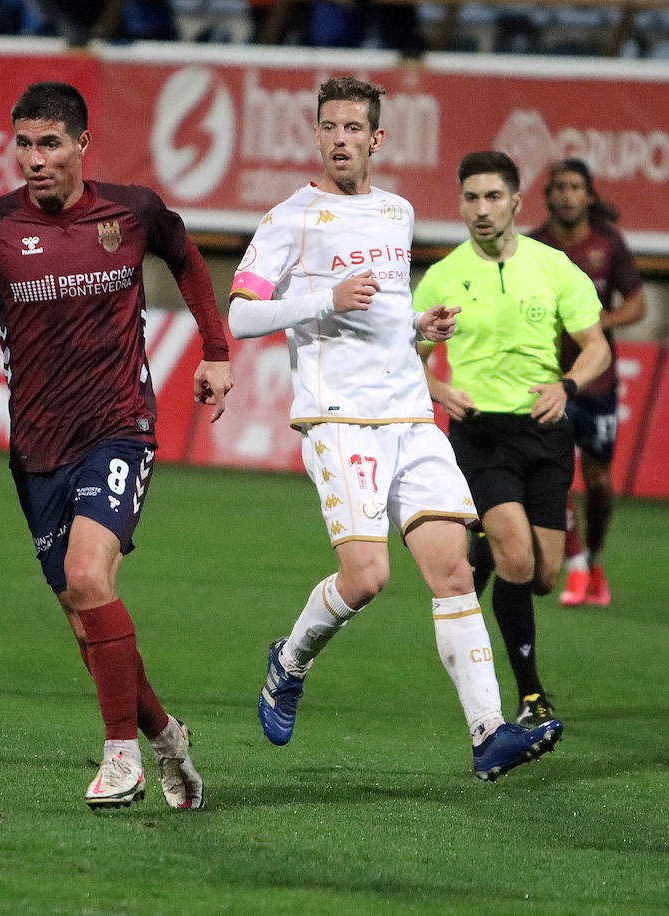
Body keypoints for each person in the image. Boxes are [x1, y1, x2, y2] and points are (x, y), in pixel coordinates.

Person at [229, 77, 562, 781]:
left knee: (450, 573)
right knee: (368, 575)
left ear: (377, 140)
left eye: (355, 128)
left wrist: (419, 325)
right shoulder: (292, 216)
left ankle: (488, 732)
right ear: (316, 135)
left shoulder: (397, 212)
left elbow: (384, 315)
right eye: (331, 127)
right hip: (339, 416)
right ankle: (288, 662)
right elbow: (240, 315)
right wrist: (321, 297)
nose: (341, 139)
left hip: (410, 412)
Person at [0, 81, 233, 809]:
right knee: (81, 607)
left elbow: (188, 261)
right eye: (23, 144)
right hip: (38, 446)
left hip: (118, 426)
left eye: (48, 144)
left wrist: (216, 350)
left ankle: (120, 759)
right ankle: (167, 739)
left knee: (89, 576)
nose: (33, 159)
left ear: (80, 145)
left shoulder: (131, 212)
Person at [413, 150, 611, 728]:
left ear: (517, 202)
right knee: (519, 558)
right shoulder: (444, 276)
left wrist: (567, 383)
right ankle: (529, 696)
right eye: (471, 197)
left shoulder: (553, 267)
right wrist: (437, 388)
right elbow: (407, 358)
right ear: (460, 203)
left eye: (493, 197)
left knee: (545, 575)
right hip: (480, 435)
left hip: (546, 431)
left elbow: (596, 344)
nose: (482, 209)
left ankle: (483, 553)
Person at [533, 159, 646, 608]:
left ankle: (595, 558)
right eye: (558, 187)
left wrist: (601, 323)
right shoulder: (536, 245)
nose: (566, 195)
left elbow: (637, 304)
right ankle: (575, 567)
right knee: (555, 476)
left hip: (597, 380)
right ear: (548, 196)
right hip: (550, 379)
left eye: (575, 187)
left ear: (589, 195)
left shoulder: (608, 243)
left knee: (598, 483)